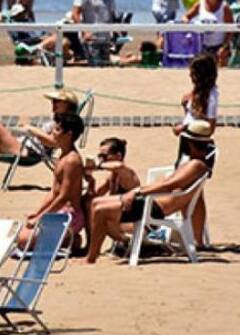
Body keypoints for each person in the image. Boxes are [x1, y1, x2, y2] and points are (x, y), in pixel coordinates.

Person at [86, 53, 218, 263]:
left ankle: (91, 257)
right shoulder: (196, 163)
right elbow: (172, 184)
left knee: (99, 208)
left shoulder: (196, 165)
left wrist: (136, 192)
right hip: (159, 200)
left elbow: (169, 183)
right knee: (96, 204)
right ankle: (193, 237)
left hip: (154, 206)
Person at [0, 88, 80, 190]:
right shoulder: (57, 119)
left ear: (68, 105)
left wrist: (32, 129)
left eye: (58, 102)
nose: (53, 104)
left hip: (27, 152)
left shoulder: (65, 124)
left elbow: (54, 142)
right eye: (53, 101)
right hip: (23, 145)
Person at [14, 112, 86, 250]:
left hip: (70, 215)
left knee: (23, 240)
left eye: (57, 129)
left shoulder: (71, 161)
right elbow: (54, 192)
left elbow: (64, 196)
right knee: (22, 233)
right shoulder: (63, 156)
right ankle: (68, 240)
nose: (53, 132)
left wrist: (41, 217)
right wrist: (38, 212)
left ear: (69, 134)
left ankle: (68, 238)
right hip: (60, 210)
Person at [70, 0, 119, 64]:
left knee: (105, 65)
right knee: (95, 64)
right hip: (92, 37)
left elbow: (112, 13)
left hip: (106, 36)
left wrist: (115, 30)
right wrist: (84, 31)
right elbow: (75, 13)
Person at [185, 0, 234, 65]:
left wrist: (224, 47)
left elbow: (230, 29)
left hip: (219, 46)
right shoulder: (200, 4)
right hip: (202, 45)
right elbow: (186, 17)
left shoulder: (224, 7)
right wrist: (189, 28)